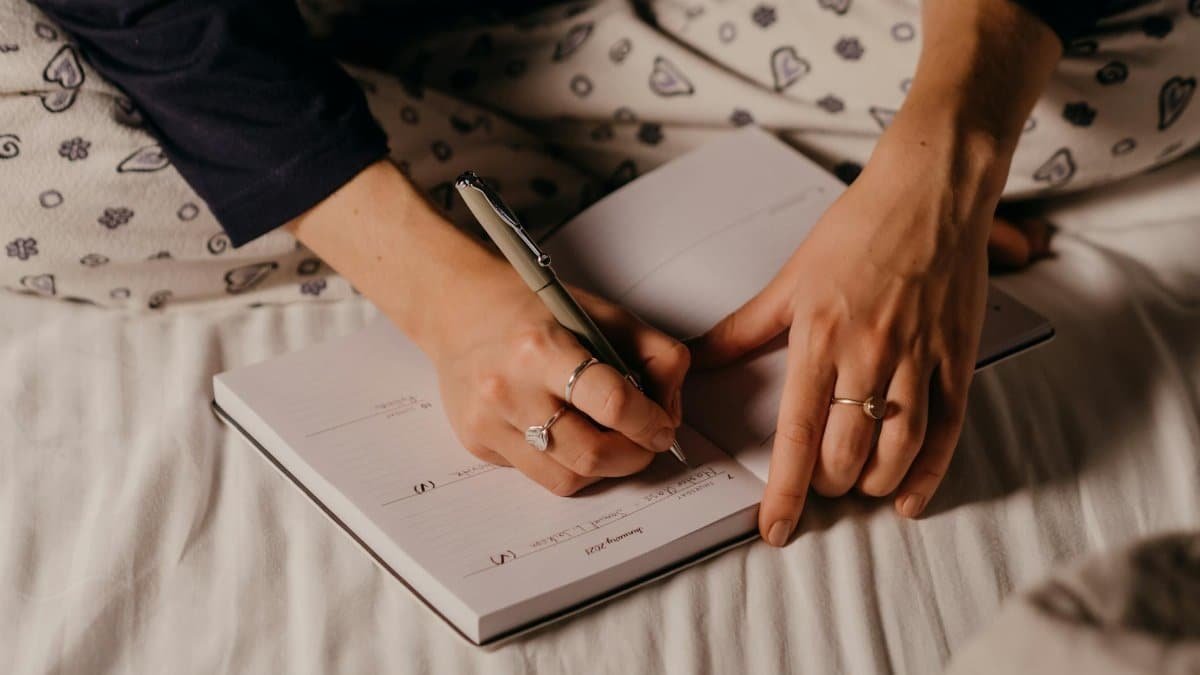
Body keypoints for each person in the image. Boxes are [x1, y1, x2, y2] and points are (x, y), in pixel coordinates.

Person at [6, 0, 1197, 546]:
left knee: (1130, 74)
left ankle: (519, 152)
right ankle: (686, 167)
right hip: (210, 40)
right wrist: (438, 290)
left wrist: (941, 161)